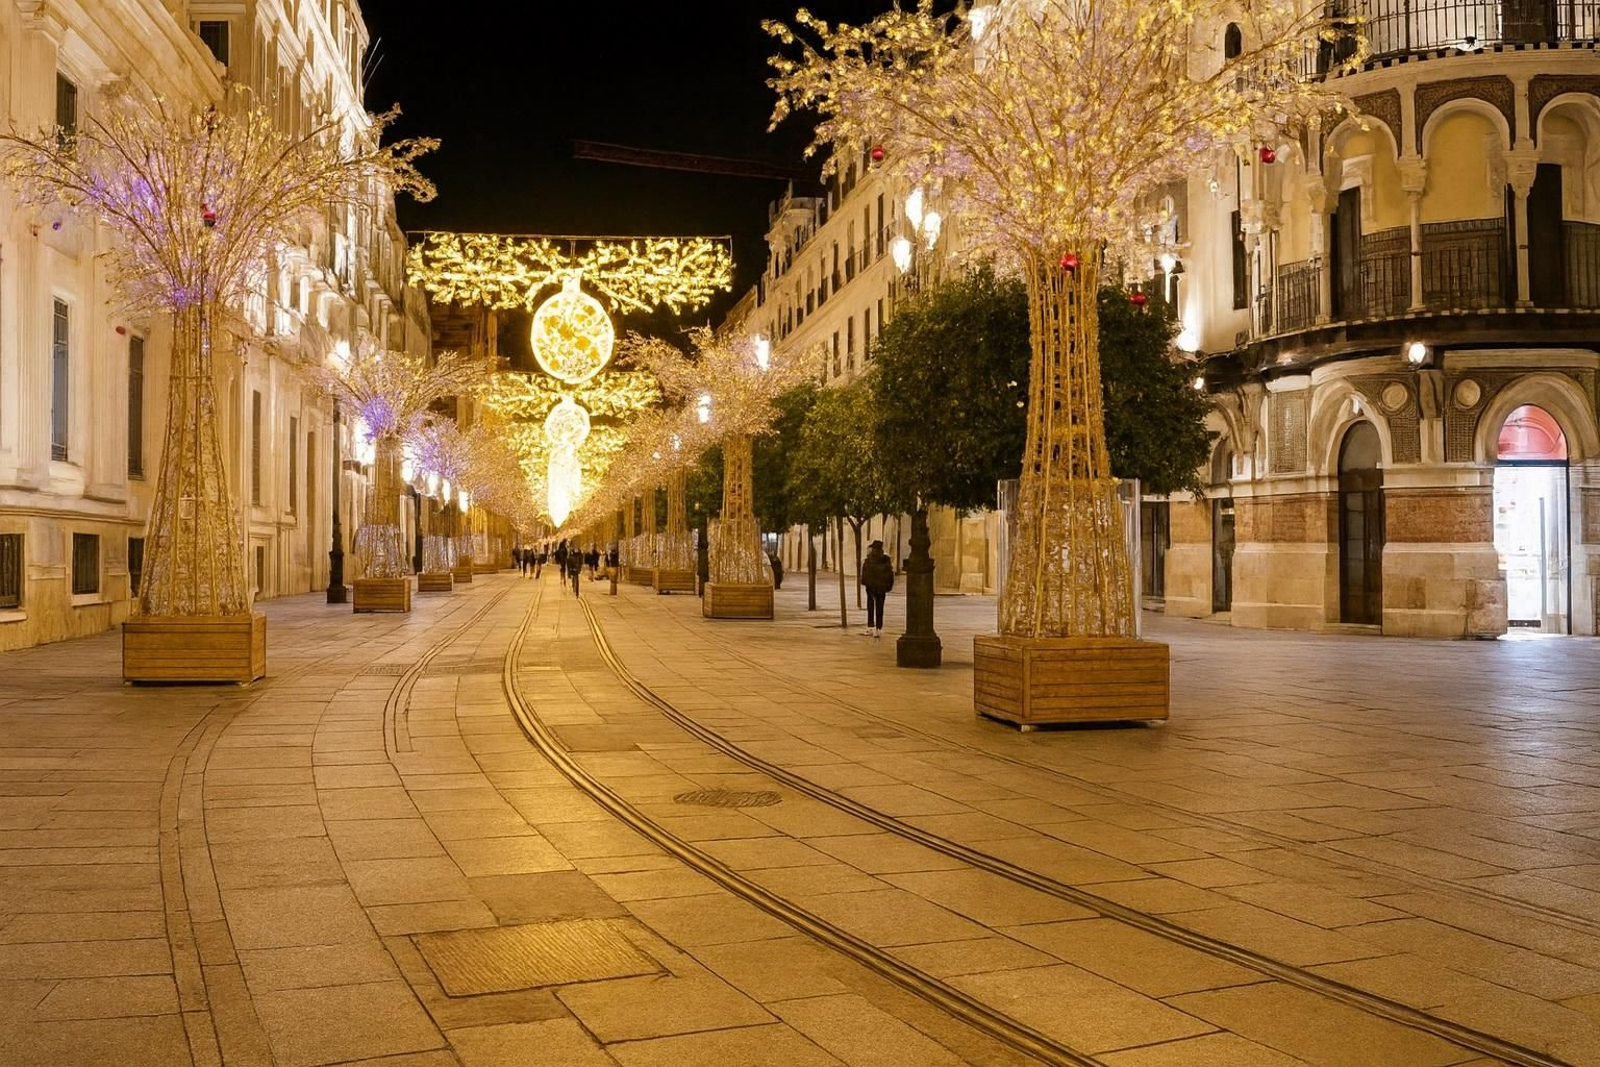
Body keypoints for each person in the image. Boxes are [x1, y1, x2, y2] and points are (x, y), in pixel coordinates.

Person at [860, 540, 894, 639]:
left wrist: (866, 582)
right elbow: (889, 575)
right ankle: (878, 628)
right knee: (880, 608)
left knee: (871, 607)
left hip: (871, 587)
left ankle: (871, 627)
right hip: (881, 588)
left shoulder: (869, 560)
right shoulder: (886, 561)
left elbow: (865, 573)